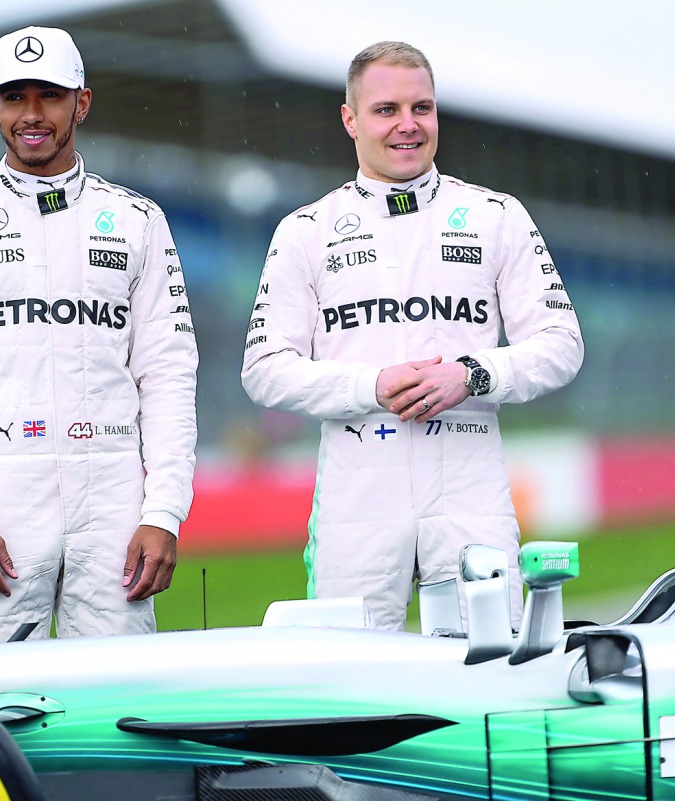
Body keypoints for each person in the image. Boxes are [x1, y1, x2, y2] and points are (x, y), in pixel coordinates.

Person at [240, 41, 583, 631]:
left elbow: (561, 344)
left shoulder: (495, 216)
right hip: (357, 493)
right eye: (386, 110)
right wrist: (371, 386)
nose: (407, 125)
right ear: (350, 119)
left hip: (469, 483)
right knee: (351, 683)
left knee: (491, 665)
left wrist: (471, 375)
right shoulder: (305, 231)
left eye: (421, 108)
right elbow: (264, 367)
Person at [0, 26, 198, 645]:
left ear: (81, 103)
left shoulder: (139, 220)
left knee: (121, 710)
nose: (32, 115)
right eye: (14, 97)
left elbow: (168, 373)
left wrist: (163, 512)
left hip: (115, 503)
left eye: (50, 96)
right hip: (1, 505)